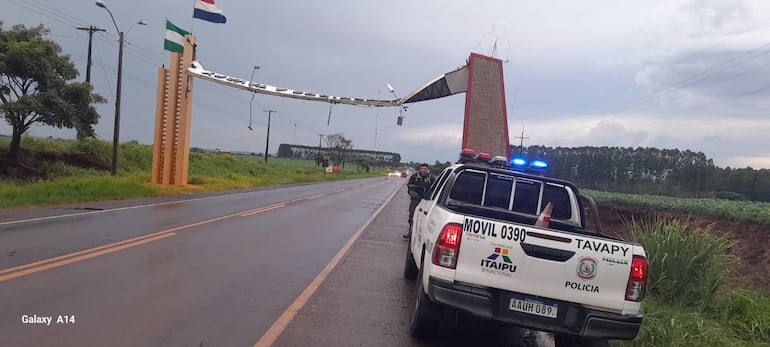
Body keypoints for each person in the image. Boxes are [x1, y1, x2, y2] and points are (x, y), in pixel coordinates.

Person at [403, 163, 434, 239]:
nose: (423, 170)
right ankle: (411, 232)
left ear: (428, 170)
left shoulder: (432, 178)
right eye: (422, 169)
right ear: (420, 169)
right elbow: (409, 185)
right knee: (412, 215)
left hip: (427, 201)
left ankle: (422, 235)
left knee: (425, 217)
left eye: (425, 169)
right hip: (415, 199)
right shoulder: (414, 176)